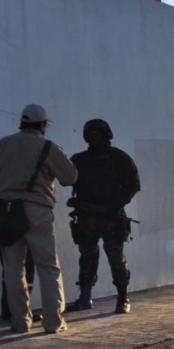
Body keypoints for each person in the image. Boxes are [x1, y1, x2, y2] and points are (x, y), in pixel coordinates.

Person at [0, 104, 77, 334]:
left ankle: (20, 322)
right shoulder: (47, 146)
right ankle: (53, 322)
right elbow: (70, 177)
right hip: (37, 212)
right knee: (48, 268)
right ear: (42, 125)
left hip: (6, 213)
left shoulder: (3, 145)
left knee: (13, 270)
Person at [66, 119, 140, 314]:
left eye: (97, 134)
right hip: (86, 218)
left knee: (115, 257)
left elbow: (133, 185)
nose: (93, 137)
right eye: (90, 134)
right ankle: (84, 298)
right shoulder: (79, 160)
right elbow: (65, 177)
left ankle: (123, 297)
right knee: (87, 258)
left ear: (106, 135)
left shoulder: (118, 158)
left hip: (112, 217)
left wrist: (114, 206)